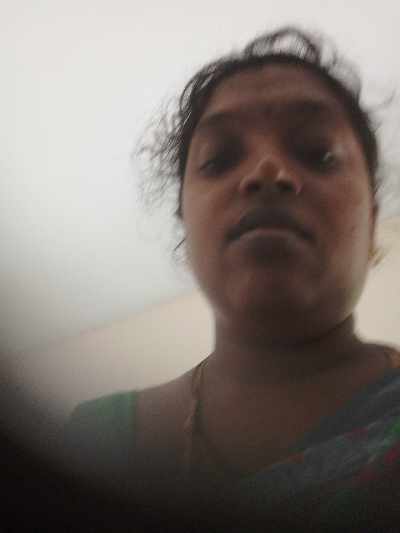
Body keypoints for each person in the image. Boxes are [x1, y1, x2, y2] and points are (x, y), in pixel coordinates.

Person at [65, 26, 400, 529]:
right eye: (220, 159)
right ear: (185, 224)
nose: (266, 171)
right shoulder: (94, 443)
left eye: (318, 153)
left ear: (372, 221)